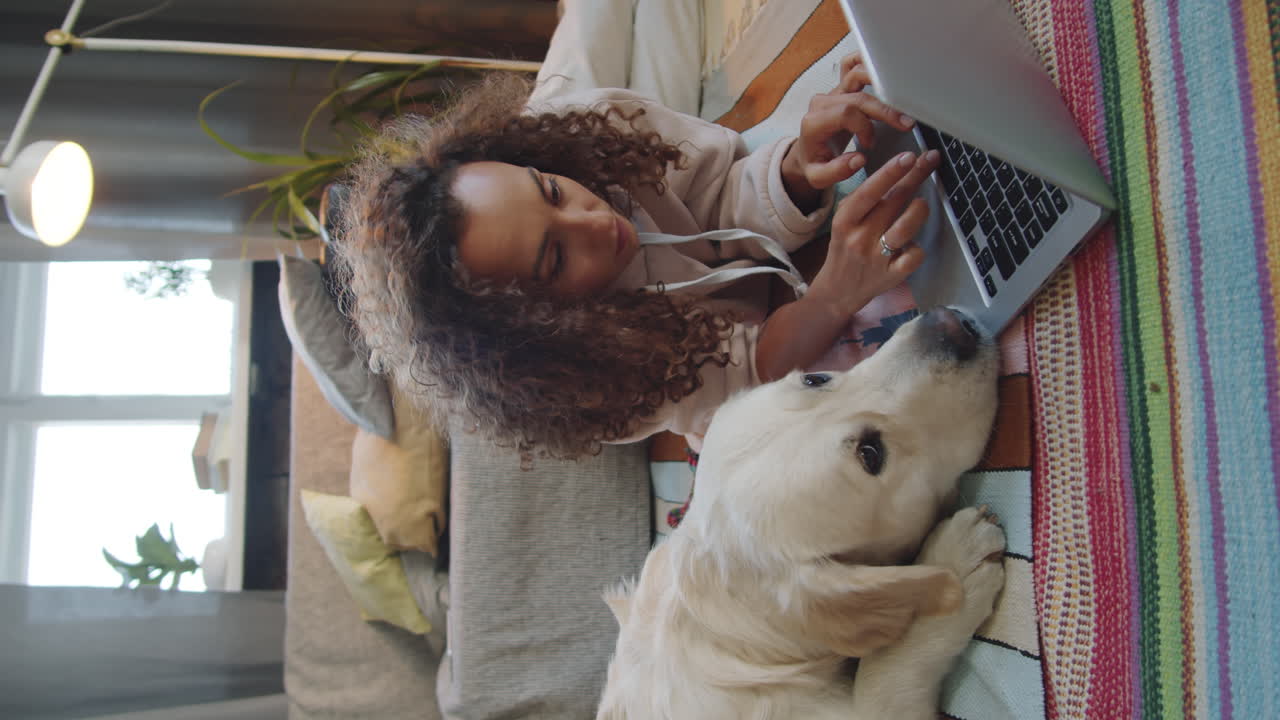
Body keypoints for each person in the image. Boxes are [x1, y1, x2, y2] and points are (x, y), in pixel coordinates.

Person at [331, 54, 941, 460]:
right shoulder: (589, 383)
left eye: (550, 190)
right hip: (730, 381)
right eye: (555, 258)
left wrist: (800, 169)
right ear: (529, 323)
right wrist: (832, 296)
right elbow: (747, 374)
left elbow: (718, 193)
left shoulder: (592, 132)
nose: (595, 222)